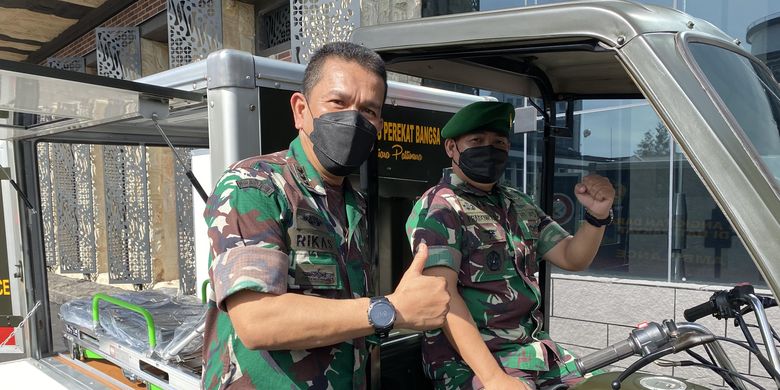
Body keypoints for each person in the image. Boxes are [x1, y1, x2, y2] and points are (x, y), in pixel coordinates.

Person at [202, 42, 450, 389]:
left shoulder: (353, 205)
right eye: (338, 102)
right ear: (301, 110)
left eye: (368, 110)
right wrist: (391, 309)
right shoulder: (254, 185)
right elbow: (256, 319)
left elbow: (346, 316)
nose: (354, 119)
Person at [405, 101, 614, 389]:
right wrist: (493, 379)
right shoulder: (440, 207)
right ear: (451, 148)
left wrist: (597, 216)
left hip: (534, 354)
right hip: (470, 364)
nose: (489, 150)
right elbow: (442, 297)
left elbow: (571, 256)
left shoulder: (517, 202)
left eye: (498, 143)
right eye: (476, 141)